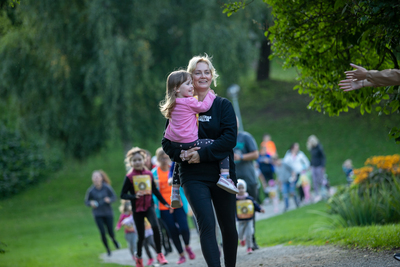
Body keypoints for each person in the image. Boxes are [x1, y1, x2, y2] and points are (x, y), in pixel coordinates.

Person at [162, 54, 238, 267]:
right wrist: (183, 154)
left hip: (222, 173)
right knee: (206, 226)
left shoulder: (223, 105)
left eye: (207, 72)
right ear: (190, 77)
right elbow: (167, 142)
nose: (203, 76)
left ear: (212, 76)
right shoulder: (178, 106)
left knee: (228, 228)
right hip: (193, 176)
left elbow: (229, 139)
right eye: (198, 72)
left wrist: (201, 154)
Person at [160, 70, 237, 208]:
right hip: (192, 142)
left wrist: (179, 152)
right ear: (177, 88)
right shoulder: (189, 102)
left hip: (177, 145)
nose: (190, 86)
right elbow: (204, 106)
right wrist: (211, 96)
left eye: (190, 83)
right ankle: (225, 176)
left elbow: (167, 134)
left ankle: (175, 192)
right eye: (188, 83)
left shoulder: (171, 106)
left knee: (177, 164)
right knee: (215, 143)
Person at [120, 147, 172, 267]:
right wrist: (134, 196)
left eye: (139, 159)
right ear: (131, 162)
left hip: (149, 207)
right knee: (141, 236)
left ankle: (160, 254)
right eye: (135, 160)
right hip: (137, 210)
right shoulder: (129, 177)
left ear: (144, 160)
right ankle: (139, 257)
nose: (137, 162)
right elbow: (123, 194)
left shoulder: (149, 174)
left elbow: (155, 191)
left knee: (155, 227)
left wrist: (165, 203)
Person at [152, 147, 196, 264]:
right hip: (163, 207)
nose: (164, 160)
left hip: (178, 203)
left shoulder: (175, 169)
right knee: (172, 231)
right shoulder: (154, 173)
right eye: (162, 158)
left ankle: (187, 246)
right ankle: (181, 255)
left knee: (184, 228)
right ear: (158, 159)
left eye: (166, 157)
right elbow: (153, 192)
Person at [233, 118, 260, 250]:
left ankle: (252, 240)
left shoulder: (245, 137)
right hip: (231, 182)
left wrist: (241, 157)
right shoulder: (224, 139)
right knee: (232, 212)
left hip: (249, 180)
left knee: (250, 210)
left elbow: (256, 154)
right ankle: (234, 241)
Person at [84, 170, 120, 256]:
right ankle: (108, 249)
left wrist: (109, 200)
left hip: (108, 213)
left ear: (101, 178)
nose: (96, 179)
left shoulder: (107, 187)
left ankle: (114, 240)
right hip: (98, 214)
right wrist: (91, 203)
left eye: (97, 177)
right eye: (94, 177)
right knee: (102, 232)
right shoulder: (91, 190)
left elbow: (114, 197)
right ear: (92, 179)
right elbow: (86, 202)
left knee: (110, 232)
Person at [236, 179, 265, 254]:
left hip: (249, 219)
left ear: (245, 188)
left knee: (249, 233)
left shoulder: (249, 198)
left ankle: (249, 247)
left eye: (242, 188)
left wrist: (260, 209)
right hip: (240, 220)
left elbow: (255, 205)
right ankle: (242, 239)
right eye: (239, 188)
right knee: (239, 234)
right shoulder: (235, 200)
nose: (241, 190)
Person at [306, 135, 326, 202]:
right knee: (314, 181)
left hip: (319, 166)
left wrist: (323, 166)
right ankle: (317, 195)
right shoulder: (311, 148)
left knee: (321, 180)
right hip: (314, 166)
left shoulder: (319, 147)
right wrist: (310, 165)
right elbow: (312, 157)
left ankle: (327, 189)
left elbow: (323, 157)